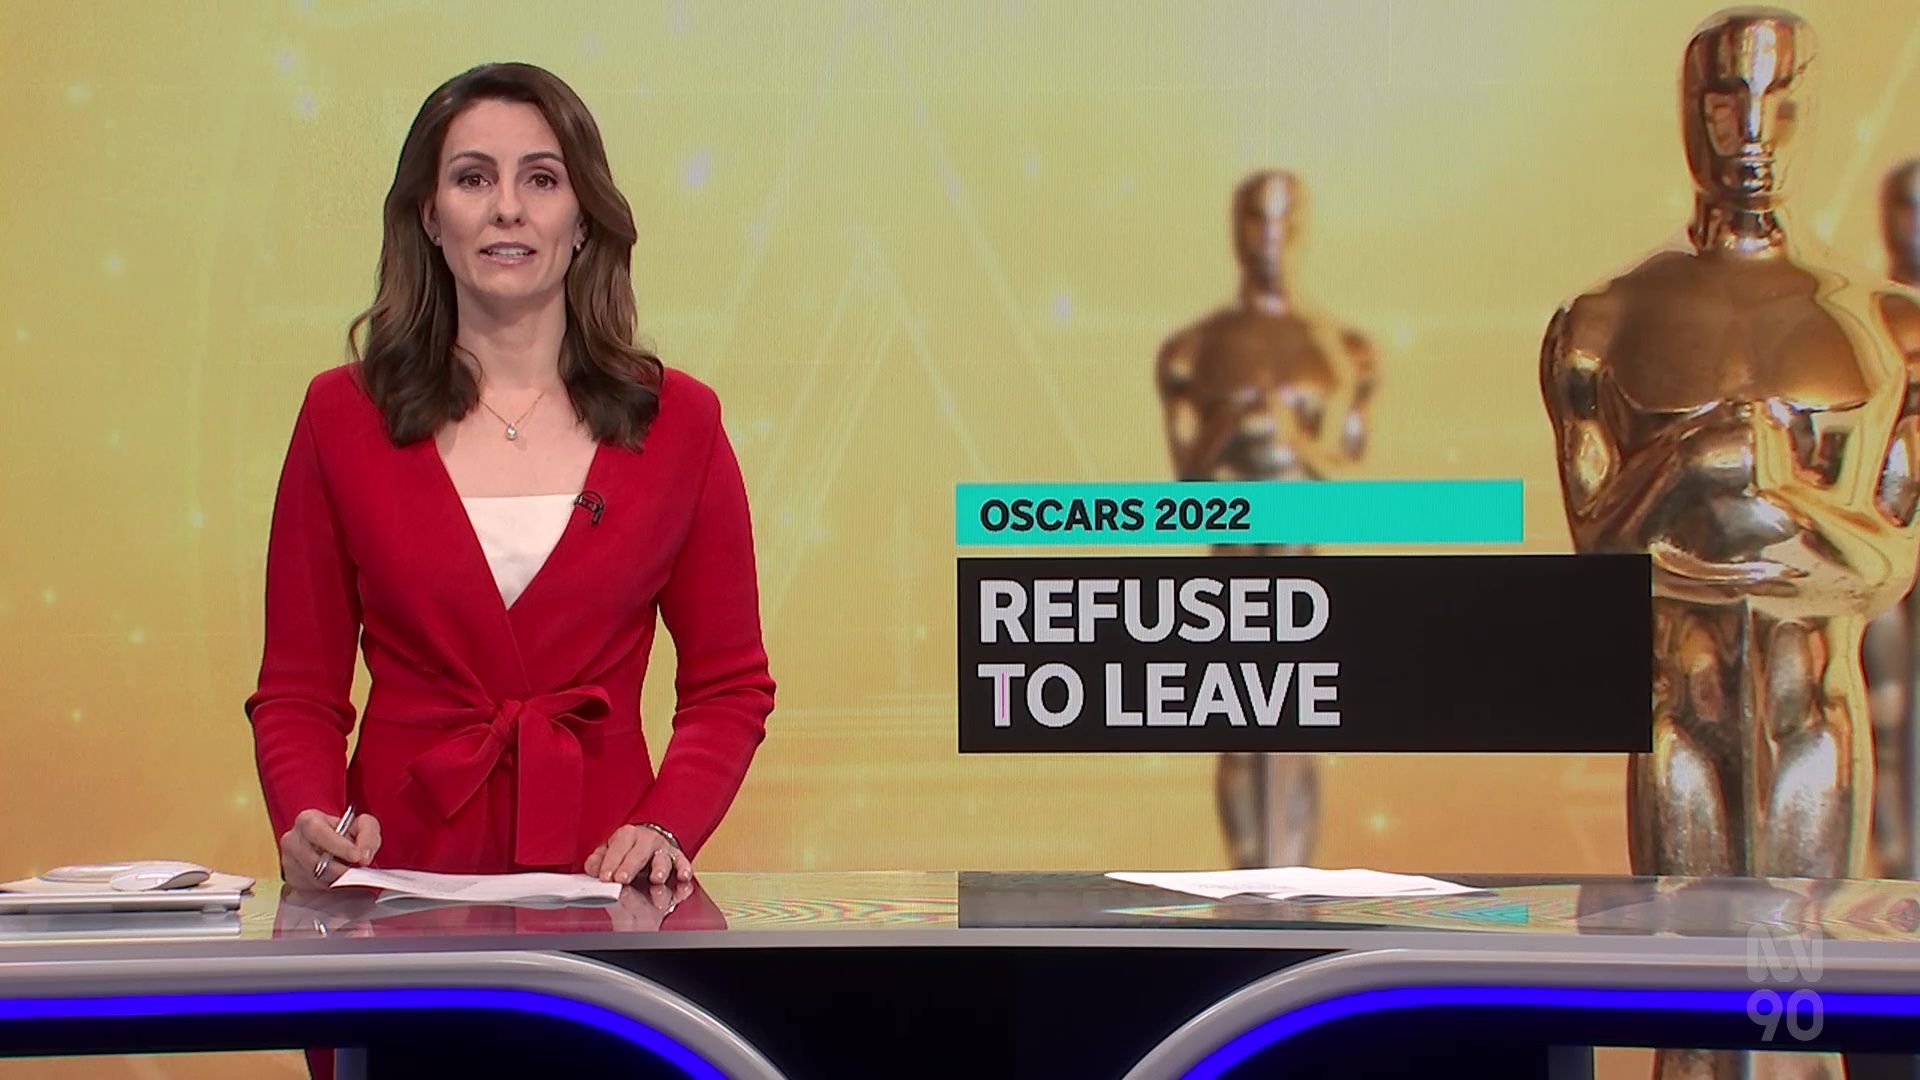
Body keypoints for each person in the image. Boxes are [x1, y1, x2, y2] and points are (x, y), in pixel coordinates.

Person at [246, 61, 776, 900]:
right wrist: (311, 817)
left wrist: (668, 825)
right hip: (396, 884)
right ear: (430, 215)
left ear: (582, 219)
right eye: (472, 178)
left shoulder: (681, 423)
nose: (507, 207)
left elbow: (729, 685)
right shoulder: (340, 417)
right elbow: (297, 691)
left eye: (541, 179)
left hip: (606, 886)